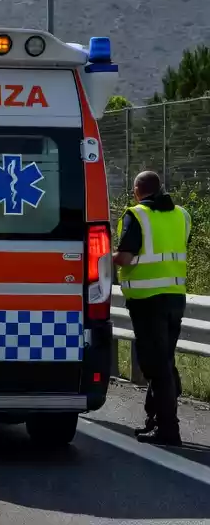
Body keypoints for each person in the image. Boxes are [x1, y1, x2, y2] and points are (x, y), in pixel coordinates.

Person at [115, 170, 189, 446]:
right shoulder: (181, 215)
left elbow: (125, 257)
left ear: (137, 191)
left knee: (157, 366)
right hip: (175, 297)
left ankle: (169, 429)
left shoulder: (136, 215)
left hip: (147, 300)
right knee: (164, 361)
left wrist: (104, 257)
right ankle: (155, 420)